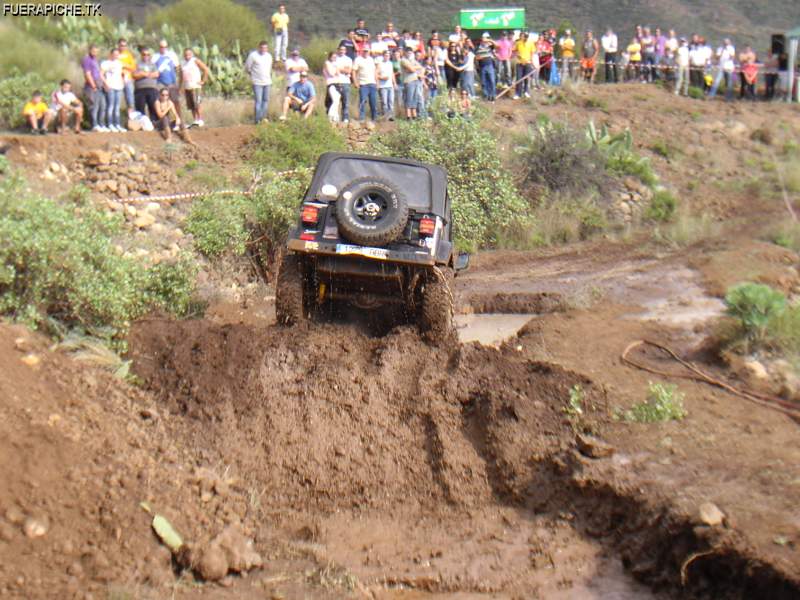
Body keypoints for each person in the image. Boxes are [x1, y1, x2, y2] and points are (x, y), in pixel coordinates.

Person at [244, 41, 273, 124]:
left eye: (265, 48)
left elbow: (269, 68)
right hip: (257, 82)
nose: (264, 49)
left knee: (266, 100)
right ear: (259, 47)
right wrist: (253, 76)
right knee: (258, 101)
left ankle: (263, 118)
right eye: (262, 47)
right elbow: (247, 67)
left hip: (267, 81)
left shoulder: (269, 56)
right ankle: (257, 120)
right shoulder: (253, 55)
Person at [180, 47, 209, 127]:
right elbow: (181, 76)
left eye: (189, 54)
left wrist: (203, 81)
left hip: (195, 86)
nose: (187, 56)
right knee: (191, 105)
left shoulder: (195, 61)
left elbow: (205, 69)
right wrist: (180, 86)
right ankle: (195, 119)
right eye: (186, 55)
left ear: (192, 54)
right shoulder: (182, 63)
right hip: (187, 86)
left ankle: (200, 119)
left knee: (196, 103)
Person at [81, 44, 107, 132]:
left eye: (96, 51)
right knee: (94, 106)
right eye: (93, 51)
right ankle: (95, 124)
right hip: (92, 86)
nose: (95, 53)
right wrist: (93, 86)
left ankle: (101, 124)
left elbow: (99, 73)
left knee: (102, 105)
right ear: (89, 50)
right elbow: (87, 74)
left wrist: (104, 84)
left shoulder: (96, 60)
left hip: (99, 85)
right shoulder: (87, 60)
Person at [156, 40, 181, 123]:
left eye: (165, 47)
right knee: (163, 103)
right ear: (159, 47)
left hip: (171, 83)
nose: (163, 49)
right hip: (160, 84)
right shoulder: (155, 56)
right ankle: (165, 122)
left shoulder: (172, 55)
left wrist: (177, 81)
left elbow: (177, 68)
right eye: (161, 47)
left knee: (175, 102)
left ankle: (178, 120)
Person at [101, 47, 125, 131]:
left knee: (117, 106)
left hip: (118, 86)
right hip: (110, 86)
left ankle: (117, 124)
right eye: (114, 54)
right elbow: (101, 74)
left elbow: (121, 73)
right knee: (110, 105)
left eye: (117, 55)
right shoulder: (106, 63)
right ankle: (110, 124)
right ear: (111, 54)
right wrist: (105, 83)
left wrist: (123, 81)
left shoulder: (119, 63)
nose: (116, 56)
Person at [133, 48, 160, 121]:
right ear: (141, 55)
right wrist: (147, 74)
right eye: (144, 54)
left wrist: (142, 73)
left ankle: (154, 123)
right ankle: (140, 124)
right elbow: (135, 75)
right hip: (140, 89)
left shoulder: (153, 65)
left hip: (152, 88)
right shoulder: (137, 64)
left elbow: (156, 74)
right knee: (140, 108)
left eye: (148, 54)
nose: (146, 56)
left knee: (153, 107)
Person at [353, 46, 377, 121]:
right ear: (362, 51)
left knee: (373, 102)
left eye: (367, 51)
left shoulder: (371, 59)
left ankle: (374, 118)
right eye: (364, 51)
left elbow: (375, 71)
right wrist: (355, 81)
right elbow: (354, 71)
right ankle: (362, 118)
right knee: (362, 101)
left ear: (369, 51)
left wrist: (377, 82)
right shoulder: (358, 59)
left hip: (372, 83)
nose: (366, 52)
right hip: (363, 84)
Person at [117, 38, 137, 118]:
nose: (123, 47)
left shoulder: (128, 55)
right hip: (117, 80)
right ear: (118, 45)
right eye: (121, 45)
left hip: (127, 79)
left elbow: (133, 67)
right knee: (117, 101)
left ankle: (131, 118)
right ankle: (117, 120)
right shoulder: (115, 54)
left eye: (124, 46)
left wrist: (124, 65)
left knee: (130, 99)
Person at [400, 47, 421, 119]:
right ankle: (408, 116)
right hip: (408, 81)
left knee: (415, 98)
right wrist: (414, 68)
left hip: (415, 80)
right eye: (408, 52)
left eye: (410, 53)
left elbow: (420, 67)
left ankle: (414, 115)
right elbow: (411, 69)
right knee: (409, 98)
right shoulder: (403, 60)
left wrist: (413, 68)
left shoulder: (412, 60)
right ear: (405, 52)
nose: (409, 54)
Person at [475, 33, 497, 101]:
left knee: (492, 81)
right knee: (484, 82)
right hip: (482, 66)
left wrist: (489, 40)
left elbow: (497, 45)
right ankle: (486, 95)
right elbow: (476, 57)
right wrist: (479, 58)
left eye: (485, 38)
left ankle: (493, 95)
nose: (484, 40)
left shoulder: (490, 46)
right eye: (483, 38)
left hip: (489, 65)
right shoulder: (478, 47)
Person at [334, 44, 353, 122]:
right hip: (335, 82)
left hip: (346, 82)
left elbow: (348, 71)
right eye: (340, 49)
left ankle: (345, 118)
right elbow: (333, 70)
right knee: (335, 101)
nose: (342, 51)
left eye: (343, 50)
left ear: (345, 51)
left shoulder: (348, 59)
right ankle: (335, 117)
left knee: (346, 102)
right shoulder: (334, 59)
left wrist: (339, 69)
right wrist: (343, 69)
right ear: (338, 50)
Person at [513, 32, 534, 99]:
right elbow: (514, 50)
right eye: (524, 36)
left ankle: (526, 92)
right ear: (522, 36)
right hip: (519, 63)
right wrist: (517, 55)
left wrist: (530, 61)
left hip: (527, 63)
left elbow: (532, 53)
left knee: (526, 78)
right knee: (519, 78)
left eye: (526, 36)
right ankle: (518, 93)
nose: (525, 38)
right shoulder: (518, 43)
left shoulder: (531, 43)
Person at [377, 49, 395, 120]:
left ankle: (391, 116)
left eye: (388, 55)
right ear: (383, 56)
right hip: (383, 86)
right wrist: (381, 77)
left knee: (391, 101)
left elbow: (392, 74)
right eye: (385, 55)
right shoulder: (380, 64)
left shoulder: (390, 63)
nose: (387, 57)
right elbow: (376, 74)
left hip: (390, 85)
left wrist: (394, 83)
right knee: (384, 102)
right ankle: (385, 116)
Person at [323, 51, 341, 122]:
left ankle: (335, 116)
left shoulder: (335, 64)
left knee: (337, 100)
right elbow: (331, 73)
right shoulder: (327, 63)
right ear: (330, 57)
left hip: (337, 83)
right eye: (333, 57)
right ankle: (330, 115)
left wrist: (336, 70)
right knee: (335, 100)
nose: (334, 58)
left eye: (335, 57)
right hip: (331, 84)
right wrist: (336, 70)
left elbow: (338, 74)